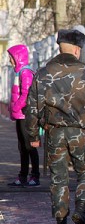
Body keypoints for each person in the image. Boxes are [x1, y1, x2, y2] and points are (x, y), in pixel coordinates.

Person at [26, 29, 85, 224]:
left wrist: (33, 135)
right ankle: (81, 207)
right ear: (77, 49)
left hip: (54, 133)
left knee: (58, 178)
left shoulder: (43, 73)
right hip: (80, 132)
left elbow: (32, 108)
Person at [7, 44, 40, 187]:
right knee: (22, 147)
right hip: (20, 115)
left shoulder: (25, 73)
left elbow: (25, 95)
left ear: (18, 57)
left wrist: (15, 107)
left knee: (30, 147)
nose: (10, 60)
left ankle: (35, 176)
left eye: (11, 58)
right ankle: (23, 176)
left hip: (25, 115)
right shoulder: (18, 72)